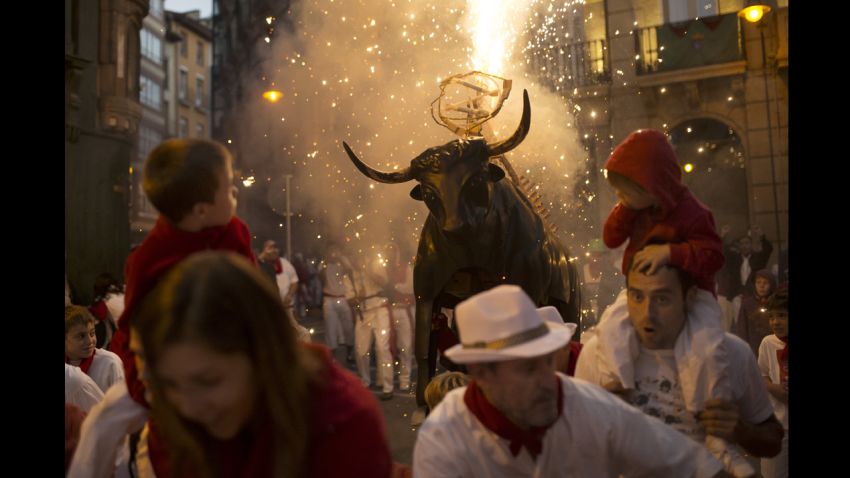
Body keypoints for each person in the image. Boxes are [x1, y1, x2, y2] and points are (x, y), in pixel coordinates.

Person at [414, 284, 726, 477]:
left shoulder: (590, 407)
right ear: (482, 374)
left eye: (547, 361)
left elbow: (691, 465)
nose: (547, 380)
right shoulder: (445, 435)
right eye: (527, 369)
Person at [131, 251, 393, 477]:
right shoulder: (171, 426)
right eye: (169, 383)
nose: (187, 407)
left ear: (263, 354)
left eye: (208, 381)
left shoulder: (342, 423)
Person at [597, 129, 748, 473]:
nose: (619, 196)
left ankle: (710, 428)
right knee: (611, 327)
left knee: (706, 346)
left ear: (652, 186)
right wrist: (624, 207)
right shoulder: (634, 208)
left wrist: (673, 253)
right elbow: (610, 238)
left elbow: (712, 255)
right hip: (641, 291)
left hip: (693, 296)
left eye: (626, 189)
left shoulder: (693, 212)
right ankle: (618, 389)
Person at [575, 263, 784, 476]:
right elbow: (572, 446)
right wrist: (599, 419)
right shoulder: (600, 356)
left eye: (662, 298)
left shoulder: (729, 353)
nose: (647, 313)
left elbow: (773, 441)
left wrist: (740, 429)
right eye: (637, 297)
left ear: (690, 296)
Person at [108, 138, 255, 408]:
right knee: (103, 424)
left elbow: (253, 299)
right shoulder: (148, 260)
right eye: (228, 188)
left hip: (234, 360)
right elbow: (132, 333)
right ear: (201, 210)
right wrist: (147, 392)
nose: (235, 191)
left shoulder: (236, 232)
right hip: (171, 378)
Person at [348, 252, 396, 400]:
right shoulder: (349, 276)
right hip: (363, 313)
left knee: (382, 347)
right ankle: (365, 381)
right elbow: (349, 299)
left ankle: (388, 387)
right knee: (361, 350)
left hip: (380, 309)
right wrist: (356, 298)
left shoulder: (376, 265)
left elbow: (384, 282)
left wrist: (369, 272)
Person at [757, 288, 788, 478]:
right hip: (777, 423)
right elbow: (760, 375)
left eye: (782, 316)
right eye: (772, 316)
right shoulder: (768, 343)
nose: (775, 322)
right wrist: (773, 388)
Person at [258, 239, 311, 342]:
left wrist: (290, 295)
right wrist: (262, 256)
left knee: (302, 334)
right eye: (270, 248)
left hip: (286, 309)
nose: (274, 250)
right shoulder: (260, 265)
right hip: (268, 311)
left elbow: (294, 281)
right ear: (264, 250)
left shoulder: (284, 263)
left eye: (275, 248)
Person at [65, 305, 125, 394]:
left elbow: (121, 403)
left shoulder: (110, 363)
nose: (90, 341)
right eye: (81, 336)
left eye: (92, 333)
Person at [382, 242, 415, 391]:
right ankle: (386, 379)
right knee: (386, 346)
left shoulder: (406, 267)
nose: (390, 254)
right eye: (387, 251)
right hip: (386, 311)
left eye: (392, 251)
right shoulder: (382, 268)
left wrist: (393, 286)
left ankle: (404, 379)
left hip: (403, 310)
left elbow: (410, 288)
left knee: (405, 347)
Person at [319, 243, 356, 361]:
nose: (333, 252)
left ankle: (349, 353)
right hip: (329, 299)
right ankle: (332, 357)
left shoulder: (343, 261)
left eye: (335, 249)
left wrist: (340, 259)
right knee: (330, 329)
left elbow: (350, 273)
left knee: (348, 327)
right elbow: (321, 279)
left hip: (343, 298)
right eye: (331, 250)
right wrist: (326, 263)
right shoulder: (323, 263)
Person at [735, 269, 776, 355]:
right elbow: (741, 328)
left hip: (772, 347)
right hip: (752, 348)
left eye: (765, 283)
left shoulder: (776, 303)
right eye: (758, 282)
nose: (761, 286)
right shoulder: (747, 304)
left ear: (771, 285)